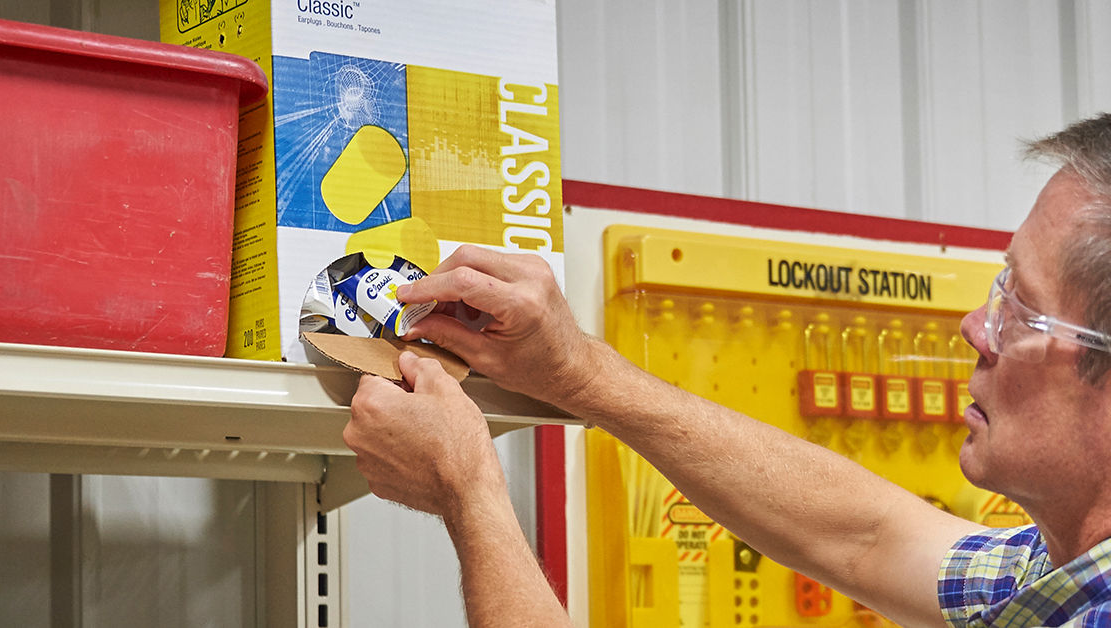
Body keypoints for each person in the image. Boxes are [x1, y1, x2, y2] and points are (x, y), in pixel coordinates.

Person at [343, 111, 1111, 627]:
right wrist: (579, 374)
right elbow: (867, 537)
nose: (977, 328)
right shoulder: (1054, 574)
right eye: (996, 288)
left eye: (1022, 309)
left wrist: (470, 491)